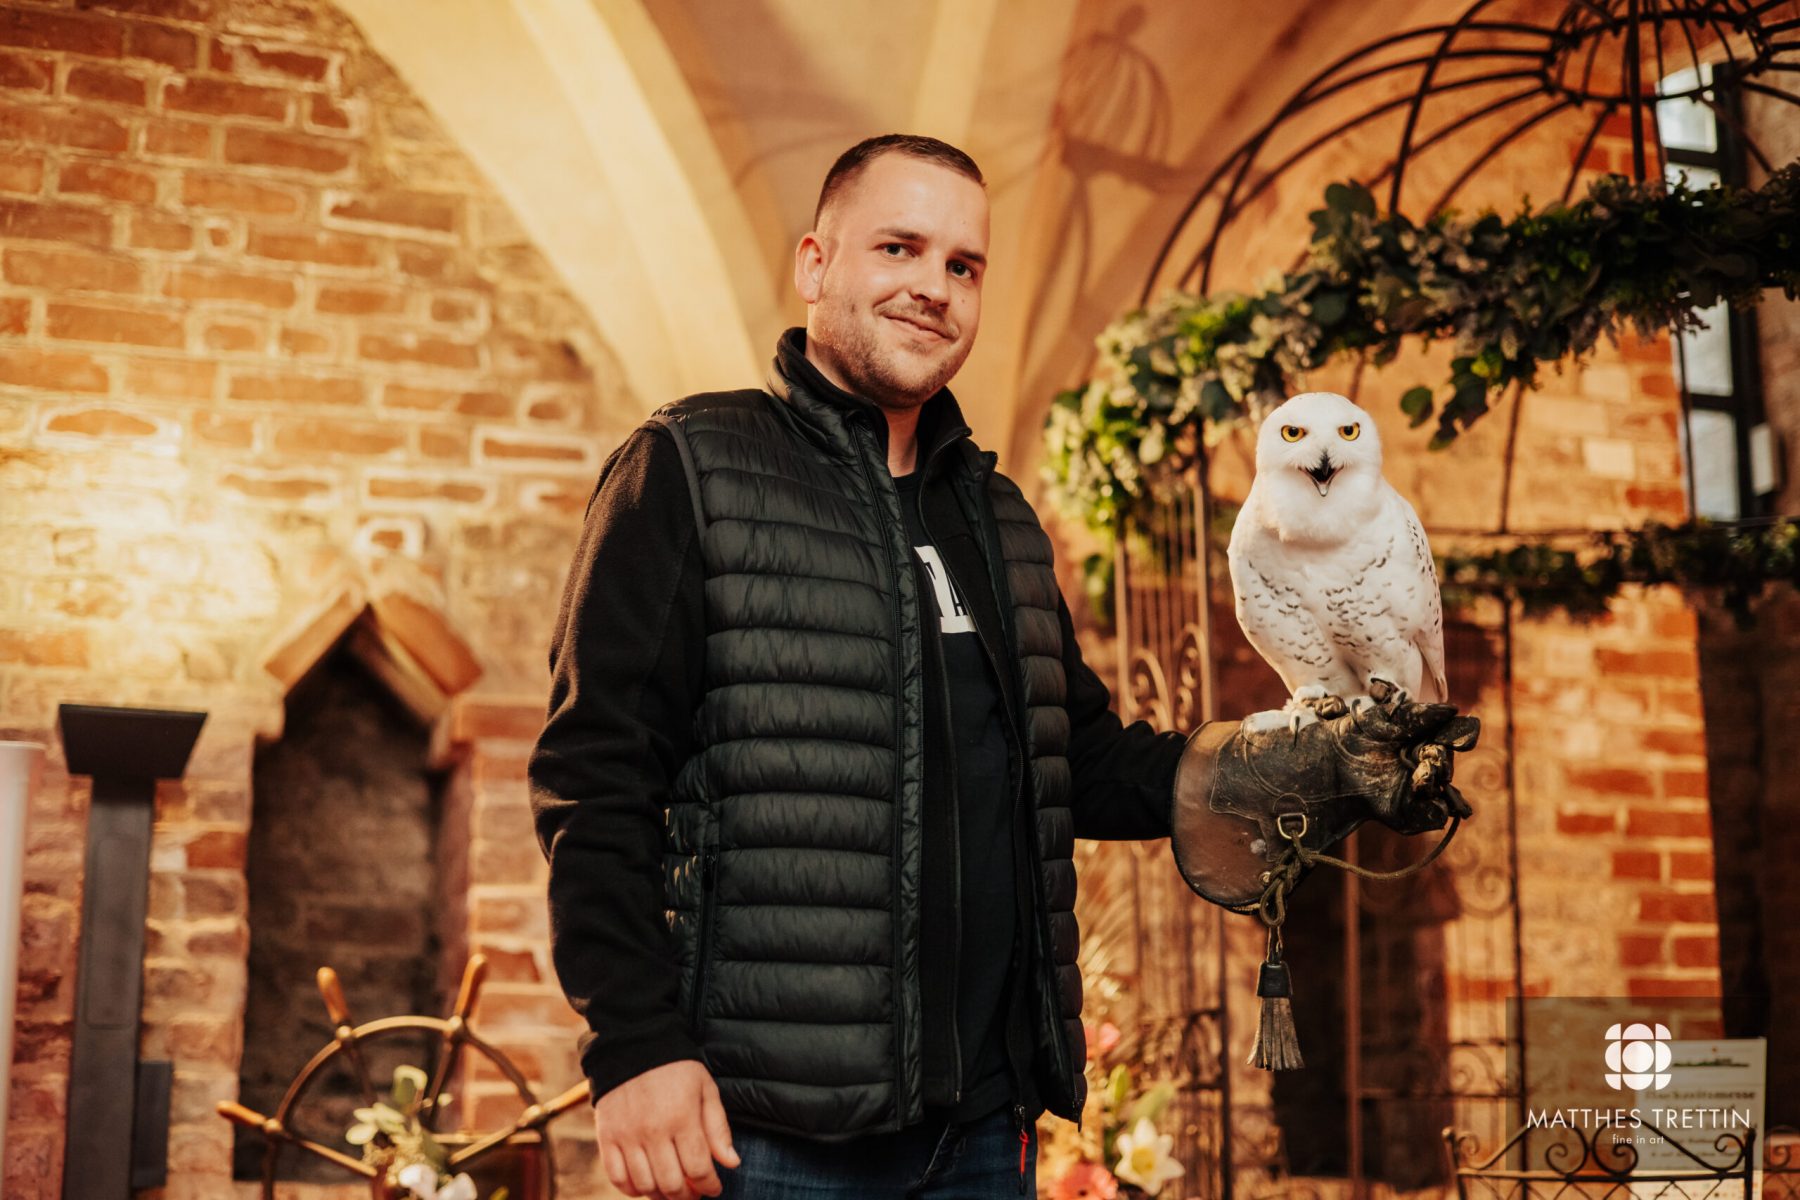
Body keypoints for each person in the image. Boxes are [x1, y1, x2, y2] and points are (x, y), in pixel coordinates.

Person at [528, 134, 1472, 1200]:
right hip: (770, 1134)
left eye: (963, 265)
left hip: (983, 1135)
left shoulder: (999, 518)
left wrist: (1302, 764)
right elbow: (595, 777)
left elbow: (1086, 759)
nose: (934, 286)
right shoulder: (690, 467)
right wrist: (635, 1046)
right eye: (899, 247)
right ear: (815, 265)